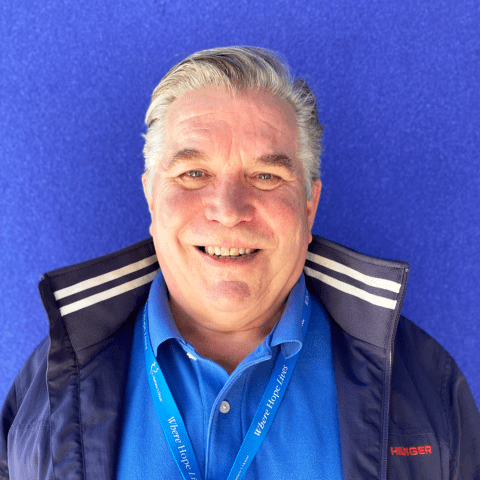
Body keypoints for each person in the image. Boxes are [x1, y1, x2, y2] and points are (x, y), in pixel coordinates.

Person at [1, 46, 479, 480]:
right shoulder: (48, 388)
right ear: (151, 196)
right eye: (193, 173)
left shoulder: (425, 386)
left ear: (309, 205)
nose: (228, 209)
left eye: (266, 176)